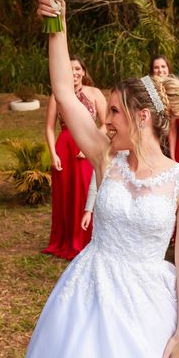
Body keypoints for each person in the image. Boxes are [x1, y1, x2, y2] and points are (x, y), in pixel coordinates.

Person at [23, 0, 179, 358]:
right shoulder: (105, 156)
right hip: (90, 292)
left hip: (149, 301)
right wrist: (57, 24)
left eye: (114, 111)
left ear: (142, 116)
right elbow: (63, 90)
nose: (106, 120)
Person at [43, 56, 107, 260]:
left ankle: (87, 239)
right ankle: (64, 239)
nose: (75, 73)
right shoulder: (58, 96)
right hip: (65, 146)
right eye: (70, 69)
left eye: (78, 68)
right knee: (65, 193)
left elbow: (106, 123)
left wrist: (91, 142)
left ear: (83, 71)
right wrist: (53, 153)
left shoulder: (95, 93)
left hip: (87, 146)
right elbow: (49, 127)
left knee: (85, 191)